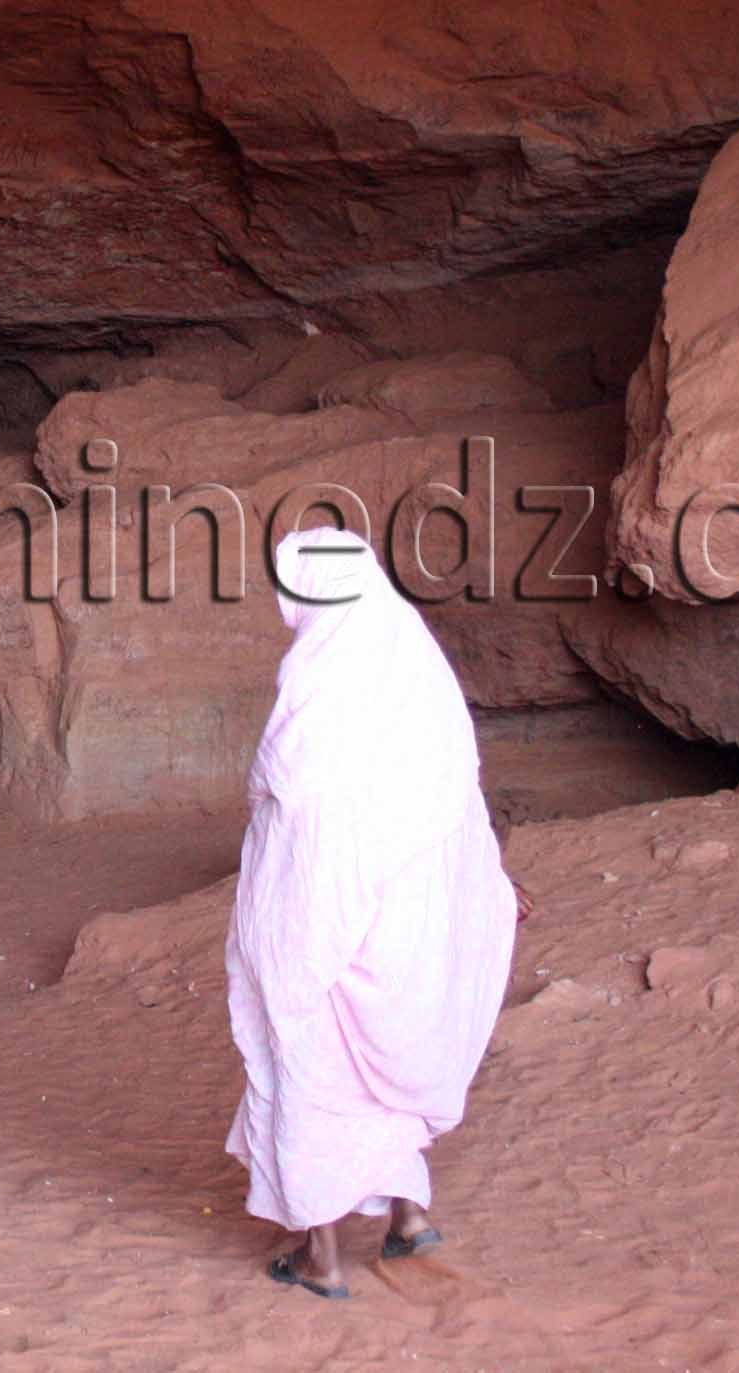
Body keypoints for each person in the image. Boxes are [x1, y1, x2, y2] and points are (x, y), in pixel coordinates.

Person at [225, 528, 527, 1300]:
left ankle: (321, 1256)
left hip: (327, 908)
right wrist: (488, 880)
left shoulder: (318, 675)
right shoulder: (416, 668)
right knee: (386, 1053)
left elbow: (286, 788)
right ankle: (408, 1218)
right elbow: (458, 791)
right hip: (408, 921)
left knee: (313, 1059)